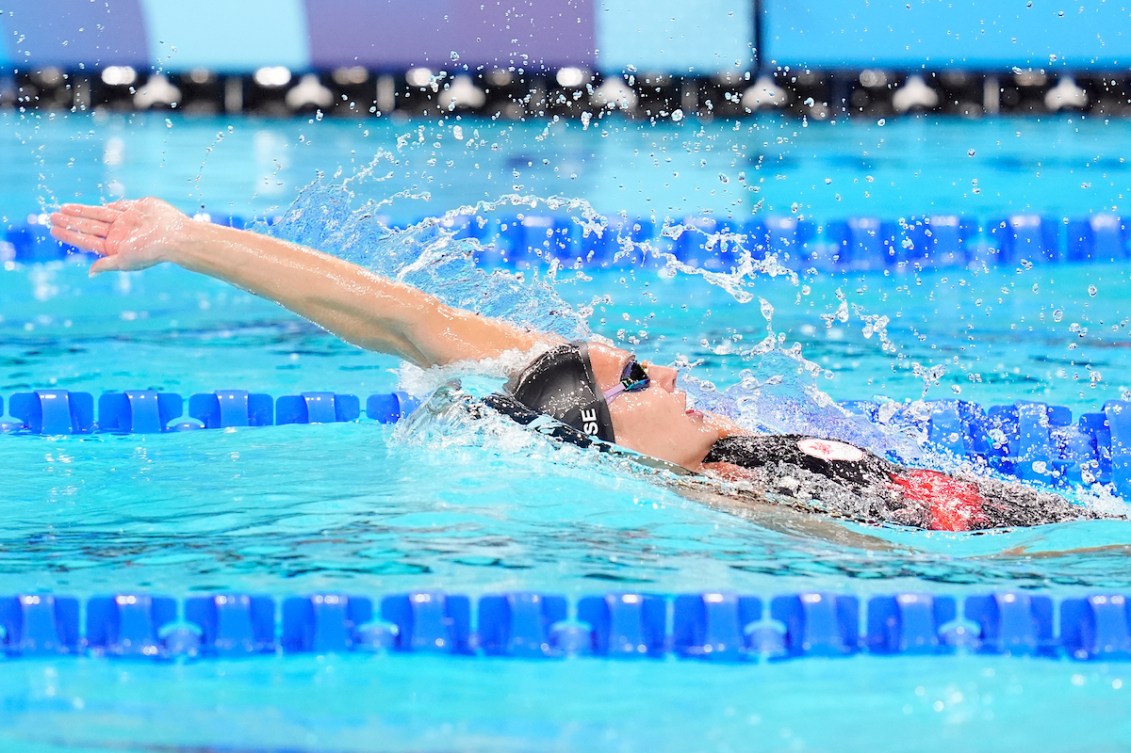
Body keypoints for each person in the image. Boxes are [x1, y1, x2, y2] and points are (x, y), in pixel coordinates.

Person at [50, 198, 1091, 532]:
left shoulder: (714, 453)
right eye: (636, 380)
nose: (672, 373)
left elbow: (409, 318)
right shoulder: (733, 497)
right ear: (595, 437)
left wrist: (188, 237)